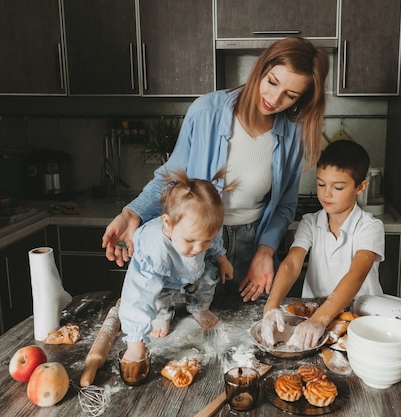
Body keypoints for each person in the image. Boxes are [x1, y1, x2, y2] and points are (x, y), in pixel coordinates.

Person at [102, 37, 330, 302]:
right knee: (189, 327)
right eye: (272, 82)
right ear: (260, 70)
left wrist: (265, 251)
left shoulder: (294, 135)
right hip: (195, 241)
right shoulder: (206, 111)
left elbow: (284, 206)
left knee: (254, 332)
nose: (274, 99)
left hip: (251, 246)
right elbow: (171, 179)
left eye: (290, 96)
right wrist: (132, 213)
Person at [260, 140, 385, 350]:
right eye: (320, 184)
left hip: (360, 319)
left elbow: (356, 274)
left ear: (361, 187)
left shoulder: (370, 227)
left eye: (337, 187)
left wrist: (320, 320)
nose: (326, 193)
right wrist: (271, 307)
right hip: (312, 317)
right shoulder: (310, 222)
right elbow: (292, 264)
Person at [118, 169, 235, 364]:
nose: (198, 248)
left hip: (193, 270)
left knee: (209, 275)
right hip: (163, 275)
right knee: (158, 295)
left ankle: (198, 307)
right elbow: (138, 295)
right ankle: (162, 314)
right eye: (190, 240)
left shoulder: (201, 235)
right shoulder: (153, 248)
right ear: (168, 222)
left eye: (204, 241)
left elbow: (213, 243)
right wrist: (135, 341)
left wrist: (222, 260)